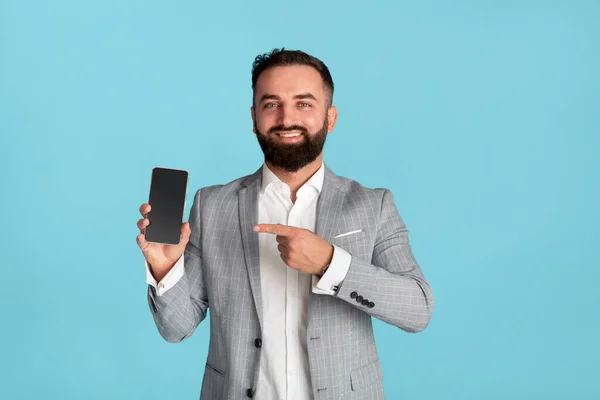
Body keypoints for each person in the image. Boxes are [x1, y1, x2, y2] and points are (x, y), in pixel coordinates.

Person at [136, 48, 434, 400]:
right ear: (254, 117)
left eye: (304, 104)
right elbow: (176, 329)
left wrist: (329, 263)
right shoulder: (212, 204)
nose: (286, 118)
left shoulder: (373, 205)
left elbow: (417, 309)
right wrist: (165, 268)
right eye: (271, 104)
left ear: (331, 117)